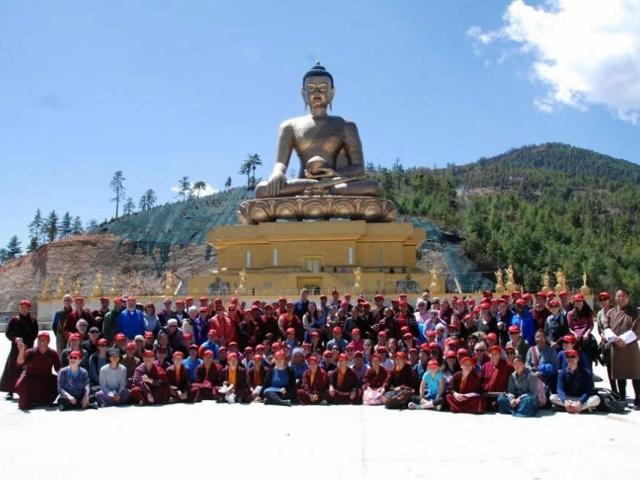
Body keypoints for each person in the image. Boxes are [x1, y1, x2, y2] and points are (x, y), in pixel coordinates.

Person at [604, 288, 640, 407]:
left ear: (628, 297)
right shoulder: (610, 312)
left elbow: (637, 328)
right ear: (615, 298)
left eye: (623, 296)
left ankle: (638, 398)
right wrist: (614, 339)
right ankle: (622, 396)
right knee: (619, 374)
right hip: (616, 347)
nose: (621, 298)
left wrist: (624, 339)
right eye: (619, 296)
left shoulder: (635, 312)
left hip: (630, 346)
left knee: (635, 373)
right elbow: (606, 327)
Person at [1, 299, 39, 399]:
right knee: (12, 369)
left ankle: (25, 388)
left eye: (26, 307)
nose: (24, 309)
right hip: (16, 348)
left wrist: (27, 344)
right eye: (22, 307)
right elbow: (8, 333)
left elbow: (35, 334)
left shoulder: (33, 321)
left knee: (27, 368)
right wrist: (16, 339)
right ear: (20, 308)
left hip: (28, 348)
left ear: (29, 309)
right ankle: (10, 390)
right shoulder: (15, 320)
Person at [14, 332, 61, 410]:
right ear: (37, 341)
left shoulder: (52, 353)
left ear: (48, 341)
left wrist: (61, 374)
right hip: (31, 379)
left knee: (58, 381)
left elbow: (58, 367)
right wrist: (21, 351)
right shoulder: (31, 352)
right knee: (23, 383)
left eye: (44, 340)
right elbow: (20, 363)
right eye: (40, 340)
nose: (42, 342)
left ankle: (44, 400)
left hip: (46, 379)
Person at [550, 349, 600, 413]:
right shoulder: (562, 372)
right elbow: (559, 388)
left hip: (582, 398)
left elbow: (589, 390)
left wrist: (580, 401)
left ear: (578, 359)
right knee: (552, 397)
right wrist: (565, 401)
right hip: (569, 398)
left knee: (596, 399)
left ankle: (568, 408)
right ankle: (581, 409)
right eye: (568, 357)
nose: (570, 359)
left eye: (573, 357)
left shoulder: (586, 372)